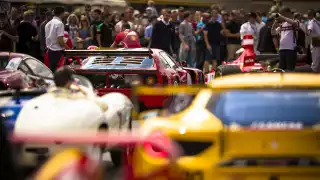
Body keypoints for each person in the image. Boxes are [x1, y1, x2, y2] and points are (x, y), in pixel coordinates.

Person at [271, 6, 299, 71]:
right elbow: (273, 33)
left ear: (288, 13)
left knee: (290, 69)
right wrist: (275, 22)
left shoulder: (296, 21)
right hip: (282, 49)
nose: (281, 15)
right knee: (281, 69)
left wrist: (282, 17)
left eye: (283, 13)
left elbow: (293, 23)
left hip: (291, 49)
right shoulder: (282, 24)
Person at [45, 6, 70, 72]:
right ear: (62, 13)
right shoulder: (60, 23)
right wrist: (68, 48)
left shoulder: (48, 23)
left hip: (49, 51)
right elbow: (60, 40)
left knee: (52, 72)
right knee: (58, 73)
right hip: (57, 52)